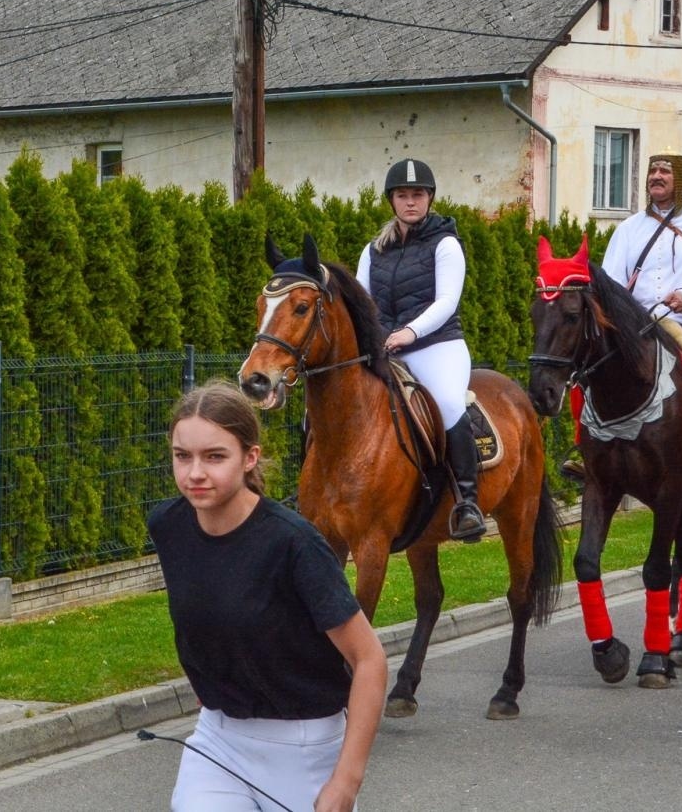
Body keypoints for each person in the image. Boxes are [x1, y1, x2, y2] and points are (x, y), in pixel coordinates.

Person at [150, 381, 386, 812]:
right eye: (182, 456)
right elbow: (211, 609)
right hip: (218, 740)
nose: (195, 473)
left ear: (250, 458)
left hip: (305, 746)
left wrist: (347, 782)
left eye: (215, 456)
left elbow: (369, 660)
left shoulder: (294, 544)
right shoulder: (168, 525)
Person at [562, 153, 682, 480]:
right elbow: (612, 284)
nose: (656, 176)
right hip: (642, 324)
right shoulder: (630, 228)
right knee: (588, 366)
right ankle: (584, 446)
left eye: (664, 171)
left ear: (680, 180)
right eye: (652, 171)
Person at [355, 158, 485, 542]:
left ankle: (467, 501)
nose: (410, 202)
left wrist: (409, 332)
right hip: (386, 349)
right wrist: (374, 337)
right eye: (402, 195)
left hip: (437, 346)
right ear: (391, 201)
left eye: (417, 195)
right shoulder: (373, 251)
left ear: (429, 198)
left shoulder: (445, 244)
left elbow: (446, 301)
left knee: (446, 402)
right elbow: (363, 303)